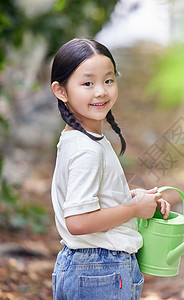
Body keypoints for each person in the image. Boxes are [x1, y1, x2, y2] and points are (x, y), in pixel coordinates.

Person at [50, 38, 171, 300]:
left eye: (108, 80)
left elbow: (94, 200)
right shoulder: (87, 150)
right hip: (100, 271)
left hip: (87, 267)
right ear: (61, 91)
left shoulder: (77, 139)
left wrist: (133, 199)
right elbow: (78, 221)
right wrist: (134, 210)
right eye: (87, 83)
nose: (101, 92)